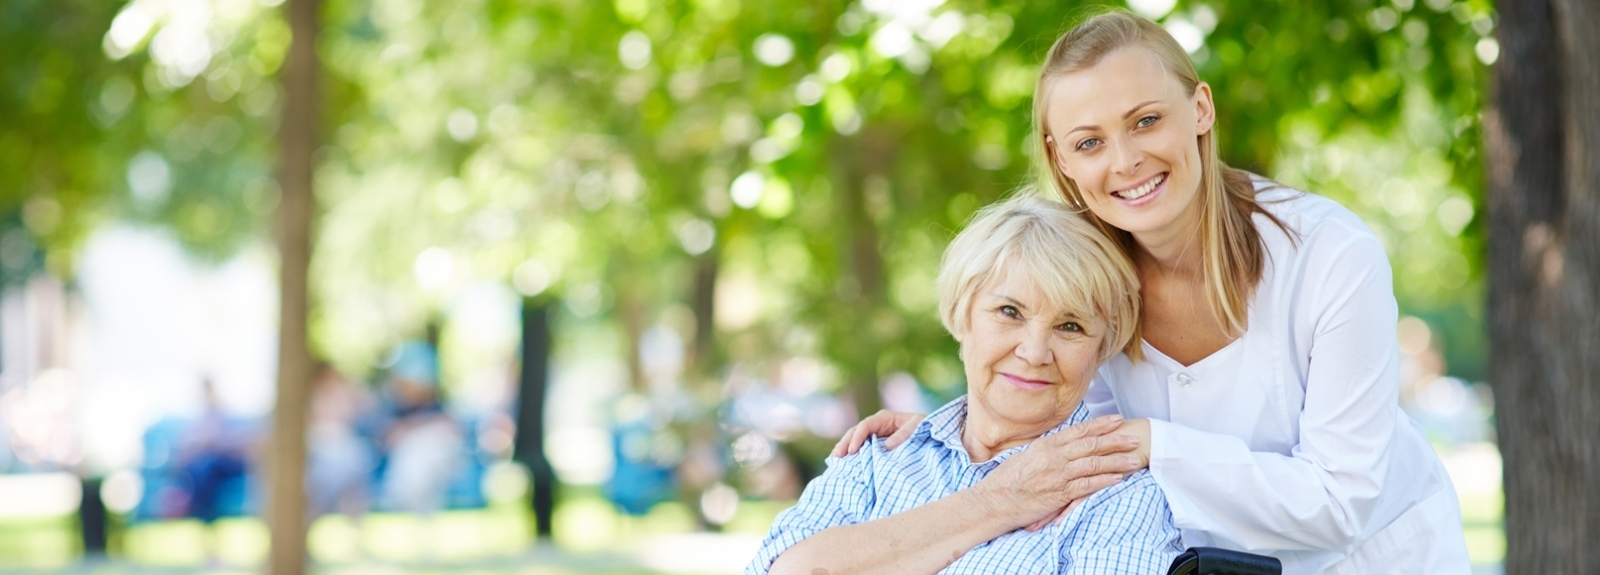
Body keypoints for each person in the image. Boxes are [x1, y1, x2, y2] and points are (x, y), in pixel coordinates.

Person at [832, 11, 1469, 574]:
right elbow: (1064, 426)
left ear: (1200, 109)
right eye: (1089, 142)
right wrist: (967, 428)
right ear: (1061, 160)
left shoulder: (1330, 256)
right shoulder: (1080, 280)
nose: (1125, 160)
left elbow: (1340, 502)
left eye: (1145, 121)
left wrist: (1151, 445)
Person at [749, 194, 1182, 575]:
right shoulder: (878, 460)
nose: (1034, 352)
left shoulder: (1118, 496)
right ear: (961, 314)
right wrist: (999, 501)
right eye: (1010, 311)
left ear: (1102, 347)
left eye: (1070, 326)